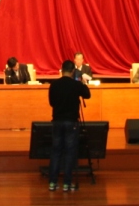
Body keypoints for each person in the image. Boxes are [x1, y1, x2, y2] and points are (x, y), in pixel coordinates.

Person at [48, 59, 91, 192]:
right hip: (71, 122)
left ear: (62, 70)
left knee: (56, 152)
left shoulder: (54, 85)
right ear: (73, 71)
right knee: (69, 152)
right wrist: (83, 82)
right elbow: (87, 95)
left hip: (57, 121)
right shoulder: (76, 84)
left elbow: (51, 103)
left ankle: (52, 183)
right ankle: (67, 183)